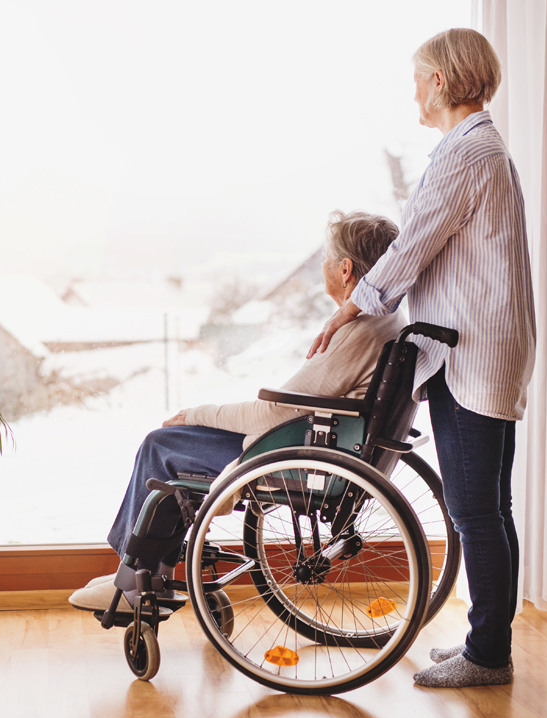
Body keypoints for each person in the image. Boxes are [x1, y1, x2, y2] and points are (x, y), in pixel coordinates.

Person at [308, 28, 535, 688]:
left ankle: (488, 655)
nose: (413, 89)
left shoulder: (465, 154)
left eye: (418, 77)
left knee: (475, 510)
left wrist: (352, 307)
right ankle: (487, 643)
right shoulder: (477, 149)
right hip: (481, 348)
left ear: (440, 80)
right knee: (490, 507)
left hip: (471, 354)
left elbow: (409, 248)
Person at [69, 211, 408, 613]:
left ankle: (133, 581)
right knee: (175, 445)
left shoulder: (359, 329)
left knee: (161, 446)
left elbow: (268, 415)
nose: (322, 266)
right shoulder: (388, 320)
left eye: (327, 257)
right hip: (320, 442)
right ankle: (153, 570)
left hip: (297, 453)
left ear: (345, 269)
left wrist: (195, 413)